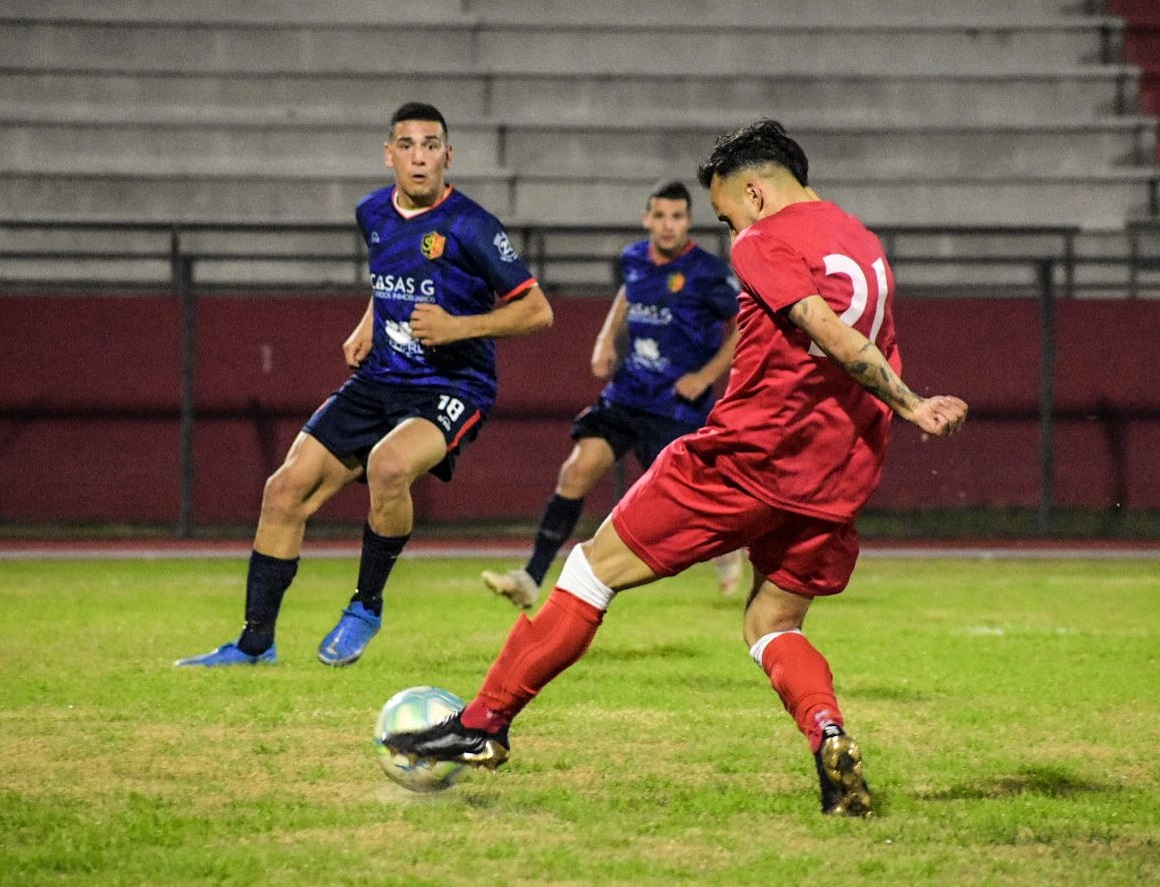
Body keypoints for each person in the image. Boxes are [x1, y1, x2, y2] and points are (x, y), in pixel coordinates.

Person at [383, 119, 968, 817]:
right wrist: (902, 404)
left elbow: (829, 333)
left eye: (724, 215)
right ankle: (828, 734)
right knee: (773, 624)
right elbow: (862, 343)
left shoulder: (764, 239)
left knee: (589, 570)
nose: (729, 232)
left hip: (743, 461)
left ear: (753, 192)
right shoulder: (862, 243)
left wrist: (910, 403)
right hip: (833, 478)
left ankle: (483, 724)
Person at [176, 102, 553, 668]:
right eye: (408, 145)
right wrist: (367, 324)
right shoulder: (372, 213)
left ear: (449, 156)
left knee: (389, 465)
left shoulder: (471, 226)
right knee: (283, 491)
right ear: (389, 154)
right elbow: (389, 279)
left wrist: (459, 327)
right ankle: (255, 644)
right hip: (382, 379)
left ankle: (366, 605)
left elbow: (538, 310)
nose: (420, 157)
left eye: (431, 145)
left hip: (452, 385)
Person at [481, 180, 744, 610]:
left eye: (676, 217)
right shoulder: (633, 258)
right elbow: (628, 294)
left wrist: (705, 375)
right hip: (626, 394)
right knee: (576, 471)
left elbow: (745, 324)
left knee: (691, 502)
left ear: (688, 222)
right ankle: (530, 577)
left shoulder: (709, 274)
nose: (667, 225)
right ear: (647, 219)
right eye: (659, 216)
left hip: (675, 406)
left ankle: (730, 547)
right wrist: (605, 338)